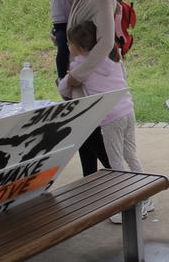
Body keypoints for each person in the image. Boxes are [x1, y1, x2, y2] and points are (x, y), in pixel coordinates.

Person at [58, 22, 153, 223]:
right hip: (128, 110)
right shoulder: (113, 56)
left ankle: (126, 206)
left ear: (81, 48)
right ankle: (146, 197)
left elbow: (65, 89)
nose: (68, 47)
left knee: (116, 161)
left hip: (110, 118)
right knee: (130, 154)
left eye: (69, 43)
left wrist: (62, 80)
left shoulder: (81, 65)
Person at [65, 0, 118, 177]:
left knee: (97, 139)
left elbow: (106, 41)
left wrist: (79, 75)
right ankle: (93, 183)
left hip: (91, 77)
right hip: (82, 70)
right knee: (85, 135)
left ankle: (131, 192)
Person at [17, 0, 87, 80]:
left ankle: (77, 75)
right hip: (60, 24)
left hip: (76, 23)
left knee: (77, 51)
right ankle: (62, 78)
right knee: (62, 49)